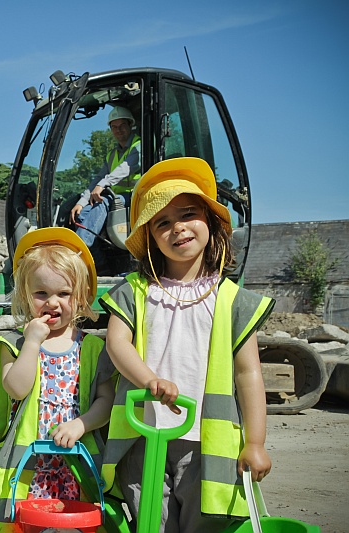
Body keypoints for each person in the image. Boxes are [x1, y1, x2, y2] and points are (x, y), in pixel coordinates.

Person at [99, 157, 274, 532]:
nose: (177, 227)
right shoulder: (134, 292)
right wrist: (150, 381)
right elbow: (117, 343)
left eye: (188, 214)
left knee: (202, 523)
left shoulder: (232, 299)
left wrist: (255, 442)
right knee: (151, 524)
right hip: (141, 435)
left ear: (211, 222)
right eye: (162, 222)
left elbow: (249, 373)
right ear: (150, 238)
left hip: (206, 443)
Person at [0, 227, 115, 532]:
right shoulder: (12, 343)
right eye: (42, 293)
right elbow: (16, 387)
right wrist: (32, 343)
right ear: (26, 296)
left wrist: (82, 424)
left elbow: (107, 401)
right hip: (30, 465)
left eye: (63, 293)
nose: (52, 302)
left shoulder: (92, 347)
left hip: (77, 462)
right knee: (28, 523)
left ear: (80, 298)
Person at [70, 106, 141, 258]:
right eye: (114, 127)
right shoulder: (112, 154)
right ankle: (98, 260)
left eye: (122, 126)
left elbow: (125, 168)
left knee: (103, 201)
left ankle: (79, 251)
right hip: (118, 197)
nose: (118, 130)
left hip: (136, 196)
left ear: (130, 125)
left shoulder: (139, 146)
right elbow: (97, 178)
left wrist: (103, 185)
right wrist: (81, 203)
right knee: (83, 213)